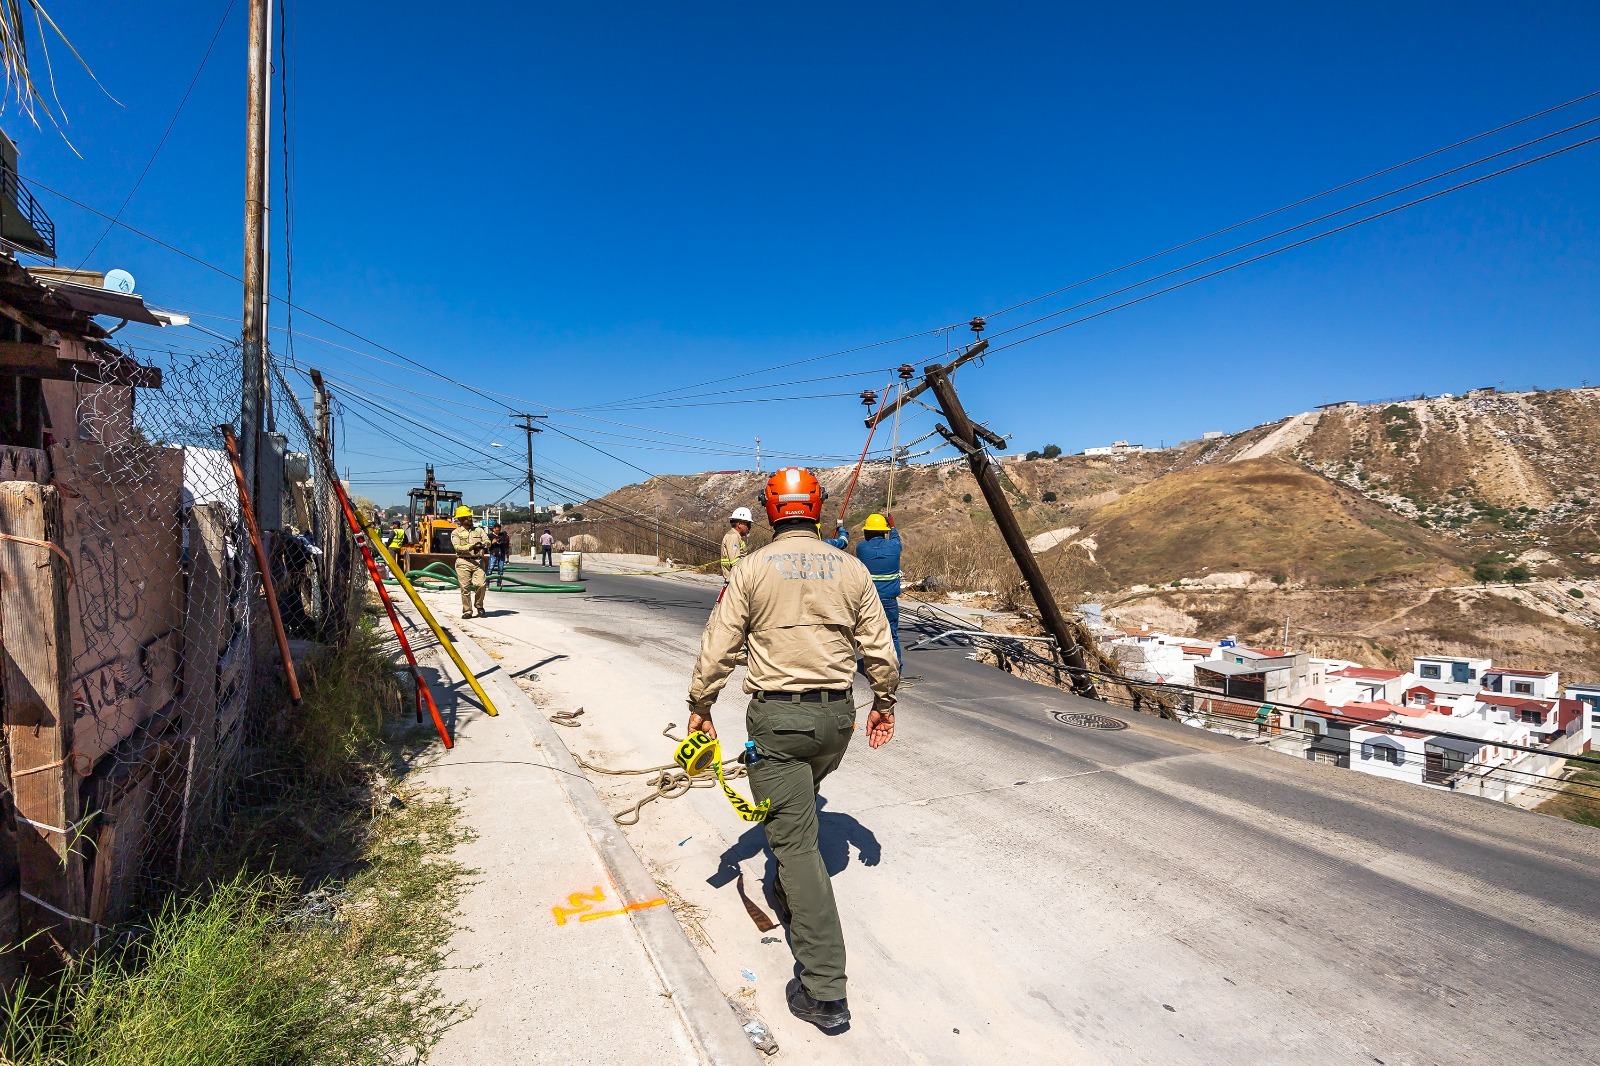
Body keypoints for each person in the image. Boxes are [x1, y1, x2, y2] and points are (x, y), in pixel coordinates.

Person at [687, 467, 899, 1033]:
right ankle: (787, 887)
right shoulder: (851, 567)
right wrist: (884, 700)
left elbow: (719, 646)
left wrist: (700, 705)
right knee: (800, 805)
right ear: (817, 507)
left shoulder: (751, 569)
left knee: (797, 843)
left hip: (779, 721)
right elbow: (881, 646)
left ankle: (824, 990)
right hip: (837, 720)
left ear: (771, 509)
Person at [855, 513, 903, 667]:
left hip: (870, 601)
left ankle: (874, 667)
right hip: (889, 601)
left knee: (869, 635)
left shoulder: (862, 548)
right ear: (884, 531)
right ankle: (896, 667)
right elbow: (896, 539)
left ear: (866, 532)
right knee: (892, 634)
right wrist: (893, 526)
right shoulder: (895, 547)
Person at [449, 506, 490, 618]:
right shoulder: (455, 533)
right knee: (465, 588)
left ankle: (479, 605)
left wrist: (484, 544)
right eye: (467, 517)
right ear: (461, 519)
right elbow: (457, 547)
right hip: (463, 562)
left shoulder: (479, 530)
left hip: (478, 562)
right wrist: (471, 547)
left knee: (481, 584)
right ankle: (467, 611)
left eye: (470, 516)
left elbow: (487, 540)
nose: (470, 519)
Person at [720, 506, 754, 596]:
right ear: (739, 524)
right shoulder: (733, 537)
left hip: (734, 580)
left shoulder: (736, 537)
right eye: (748, 524)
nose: (749, 528)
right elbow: (735, 562)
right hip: (734, 581)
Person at [486, 518, 510, 585]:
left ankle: (499, 583)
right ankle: (487, 582)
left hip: (501, 554)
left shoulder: (503, 535)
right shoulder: (490, 536)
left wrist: (500, 542)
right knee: (490, 568)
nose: (498, 531)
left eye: (499, 530)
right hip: (493, 553)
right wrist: (492, 542)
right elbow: (487, 544)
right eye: (497, 530)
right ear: (494, 529)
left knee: (501, 569)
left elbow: (506, 541)